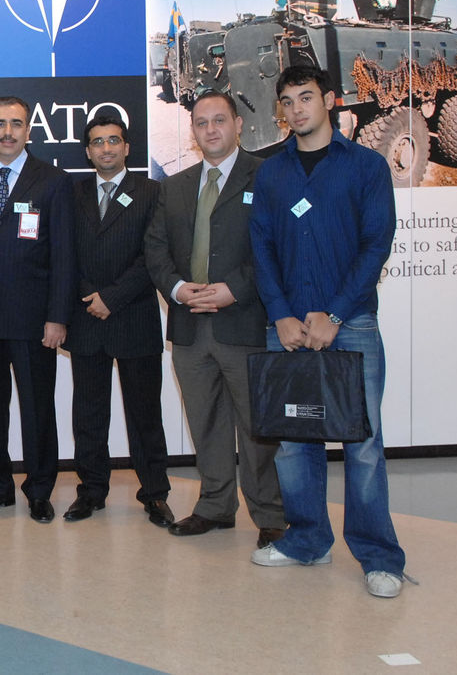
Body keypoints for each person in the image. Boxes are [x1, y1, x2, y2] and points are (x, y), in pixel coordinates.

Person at [249, 64, 407, 599]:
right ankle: (306, 541)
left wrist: (334, 314)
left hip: (353, 323)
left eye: (306, 98)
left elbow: (375, 245)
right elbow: (262, 249)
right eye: (288, 101)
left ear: (330, 100)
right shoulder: (271, 173)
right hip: (287, 326)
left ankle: (379, 556)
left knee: (362, 444)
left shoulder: (364, 167)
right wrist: (282, 313)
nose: (296, 110)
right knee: (294, 444)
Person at [144, 91, 285, 546]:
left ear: (238, 125)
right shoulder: (176, 186)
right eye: (202, 123)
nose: (211, 130)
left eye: (219, 120)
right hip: (189, 328)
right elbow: (156, 249)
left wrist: (233, 291)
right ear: (194, 131)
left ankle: (269, 513)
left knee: (257, 427)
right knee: (206, 422)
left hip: (243, 322)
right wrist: (180, 290)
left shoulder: (266, 178)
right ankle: (215, 506)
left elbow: (277, 248)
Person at [0, 96, 75, 523]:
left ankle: (39, 488)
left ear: (29, 131)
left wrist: (58, 316)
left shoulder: (53, 182)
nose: (7, 131)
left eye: (16, 123)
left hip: (35, 320)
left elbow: (64, 256)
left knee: (37, 408)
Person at [63, 115, 172, 528]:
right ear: (88, 151)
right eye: (97, 142)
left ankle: (155, 494)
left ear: (127, 147)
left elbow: (155, 256)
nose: (106, 148)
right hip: (86, 318)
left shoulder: (152, 192)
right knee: (88, 415)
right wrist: (92, 295)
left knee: (145, 415)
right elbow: (64, 255)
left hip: (135, 317)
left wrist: (113, 297)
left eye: (114, 141)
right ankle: (91, 492)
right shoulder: (72, 194)